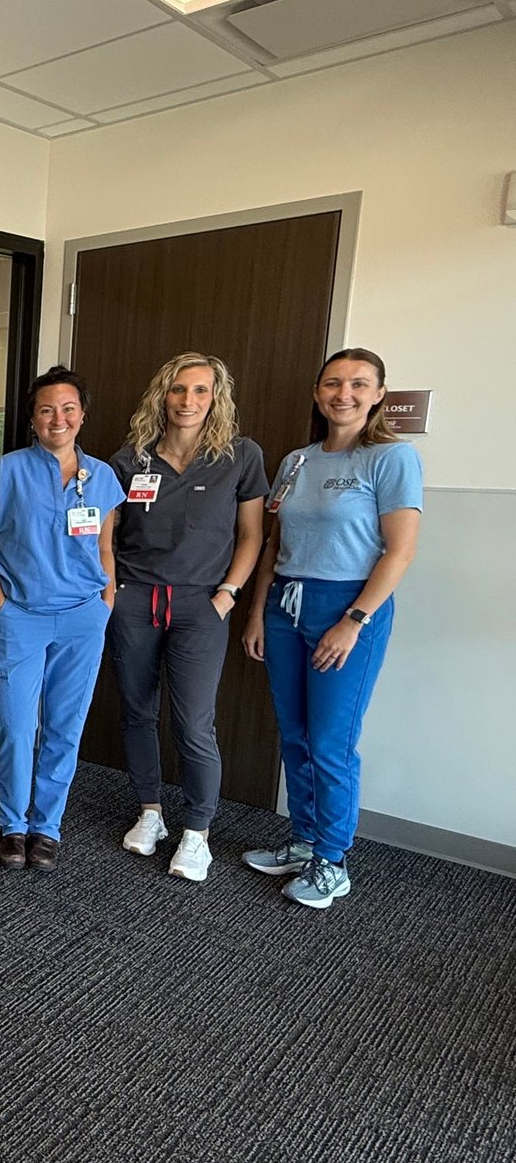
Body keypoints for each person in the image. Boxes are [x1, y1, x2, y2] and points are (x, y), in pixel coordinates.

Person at [241, 347, 421, 908]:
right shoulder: (296, 460)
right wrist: (257, 611)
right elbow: (274, 544)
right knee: (293, 734)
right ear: (318, 392)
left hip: (349, 608)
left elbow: (400, 552)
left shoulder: (391, 459)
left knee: (331, 744)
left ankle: (332, 860)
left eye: (359, 384)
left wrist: (353, 622)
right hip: (287, 604)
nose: (344, 394)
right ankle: (304, 840)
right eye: (333, 383)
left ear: (378, 395)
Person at [107, 353, 267, 882]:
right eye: (179, 390)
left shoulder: (240, 457)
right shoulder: (130, 460)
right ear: (163, 396)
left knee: (195, 723)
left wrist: (227, 595)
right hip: (135, 600)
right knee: (136, 712)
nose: (189, 401)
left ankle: (196, 832)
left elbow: (252, 536)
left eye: (201, 391)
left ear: (216, 399)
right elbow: (108, 533)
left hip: (202, 605)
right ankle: (150, 812)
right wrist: (112, 590)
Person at [0, 366, 124, 871]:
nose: (57, 418)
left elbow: (105, 545)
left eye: (68, 408)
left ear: (82, 415)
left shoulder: (102, 477)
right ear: (33, 418)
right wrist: (1, 606)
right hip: (23, 617)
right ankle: (12, 826)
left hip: (83, 618)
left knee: (65, 726)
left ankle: (47, 827)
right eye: (46, 409)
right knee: (16, 727)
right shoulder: (5, 471)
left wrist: (107, 597)